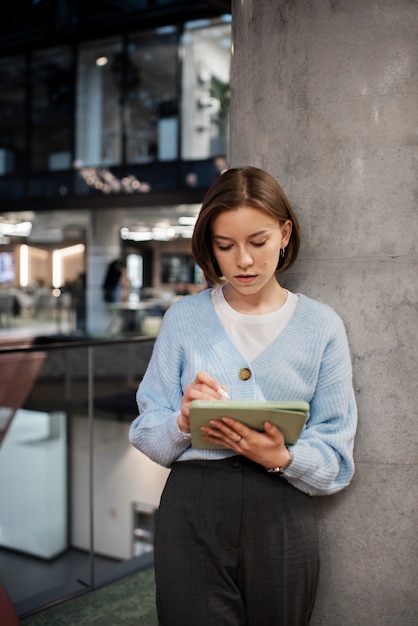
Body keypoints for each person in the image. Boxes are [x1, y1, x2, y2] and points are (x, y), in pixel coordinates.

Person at [129, 166, 357, 626]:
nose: (244, 261)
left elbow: (337, 459)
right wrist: (180, 421)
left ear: (284, 233)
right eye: (225, 246)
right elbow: (144, 431)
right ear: (209, 245)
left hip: (283, 511)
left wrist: (283, 457)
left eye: (258, 242)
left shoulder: (321, 326)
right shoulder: (184, 319)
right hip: (193, 508)